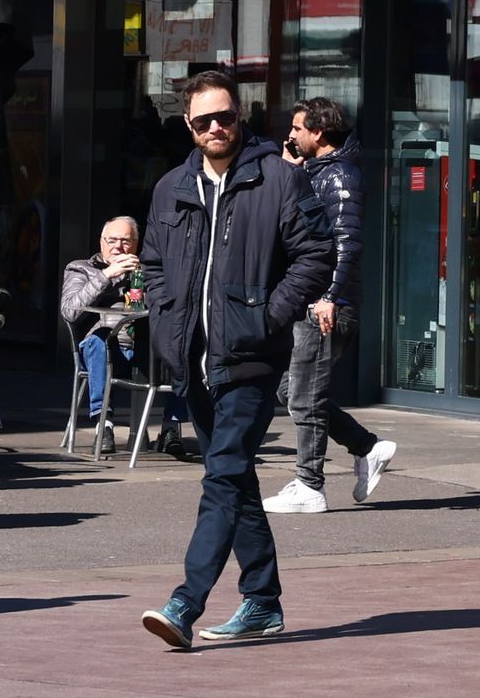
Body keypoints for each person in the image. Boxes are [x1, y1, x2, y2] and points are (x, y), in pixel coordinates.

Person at [134, 70, 333, 650]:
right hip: (192, 360)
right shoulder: (172, 186)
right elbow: (152, 261)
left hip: (249, 358)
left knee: (221, 476)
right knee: (236, 478)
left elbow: (316, 255)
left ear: (239, 117)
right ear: (188, 126)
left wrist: (267, 317)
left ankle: (185, 602)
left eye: (226, 117)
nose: (217, 128)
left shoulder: (278, 179)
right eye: (204, 121)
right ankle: (263, 602)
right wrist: (168, 314)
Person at [269, 98, 397, 515]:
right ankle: (367, 447)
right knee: (293, 390)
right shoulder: (315, 171)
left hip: (327, 304)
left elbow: (347, 242)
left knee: (303, 396)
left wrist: (330, 296)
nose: (291, 135)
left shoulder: (340, 176)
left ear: (318, 133)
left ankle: (309, 484)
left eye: (297, 128)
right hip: (314, 298)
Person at [59, 215, 143, 452]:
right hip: (101, 350)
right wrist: (106, 276)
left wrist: (146, 284)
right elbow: (70, 312)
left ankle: (171, 427)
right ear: (101, 242)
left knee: (178, 344)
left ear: (136, 244)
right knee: (99, 340)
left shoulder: (145, 271)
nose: (118, 246)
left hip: (141, 348)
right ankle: (103, 424)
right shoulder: (80, 268)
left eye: (126, 241)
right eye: (113, 240)